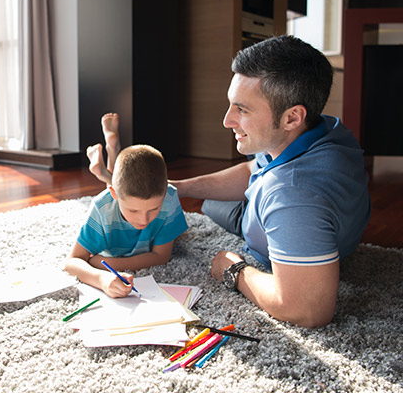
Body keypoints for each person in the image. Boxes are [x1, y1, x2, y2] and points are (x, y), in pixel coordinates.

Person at [170, 35, 371, 328]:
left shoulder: (293, 194)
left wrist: (235, 269)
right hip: (273, 209)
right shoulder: (321, 128)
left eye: (242, 109)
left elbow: (308, 310)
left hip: (278, 223)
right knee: (210, 202)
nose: (227, 120)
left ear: (292, 117)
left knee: (212, 206)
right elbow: (255, 168)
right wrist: (181, 187)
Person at [64, 114, 188, 298]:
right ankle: (111, 150)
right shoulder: (102, 208)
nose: (143, 219)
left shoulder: (169, 197)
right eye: (133, 210)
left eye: (154, 209)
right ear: (114, 195)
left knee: (124, 185)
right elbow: (72, 262)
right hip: (112, 200)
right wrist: (101, 279)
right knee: (118, 187)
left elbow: (161, 256)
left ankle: (111, 150)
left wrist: (108, 263)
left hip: (121, 197)